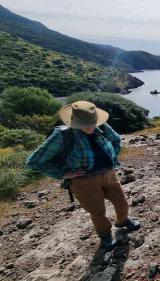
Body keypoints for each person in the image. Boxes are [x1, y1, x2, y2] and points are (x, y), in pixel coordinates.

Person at [26, 101, 140, 250]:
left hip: (109, 173)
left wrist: (113, 157)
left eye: (93, 123)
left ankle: (122, 221)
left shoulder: (101, 125)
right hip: (83, 181)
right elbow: (34, 161)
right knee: (98, 211)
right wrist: (63, 174)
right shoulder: (63, 135)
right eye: (86, 124)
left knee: (121, 202)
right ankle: (105, 235)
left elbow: (116, 139)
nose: (91, 127)